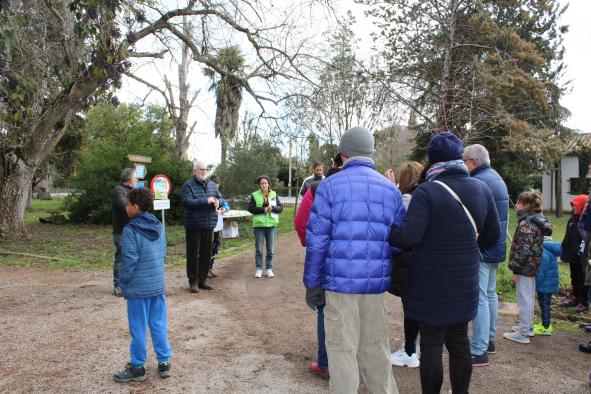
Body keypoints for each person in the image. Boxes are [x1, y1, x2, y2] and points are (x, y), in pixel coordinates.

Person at [389, 132, 501, 394]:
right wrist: (467, 252)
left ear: (432, 160)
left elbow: (408, 237)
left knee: (431, 343)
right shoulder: (481, 188)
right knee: (459, 341)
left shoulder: (427, 191)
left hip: (430, 283)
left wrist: (386, 229)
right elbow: (493, 237)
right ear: (458, 157)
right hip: (464, 281)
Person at [305, 126, 405, 394]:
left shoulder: (328, 187)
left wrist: (313, 285)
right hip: (374, 286)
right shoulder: (390, 190)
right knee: (376, 348)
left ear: (342, 152)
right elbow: (397, 241)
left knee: (341, 350)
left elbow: (317, 243)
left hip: (339, 284)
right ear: (371, 151)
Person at [113, 188, 172, 383]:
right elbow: (162, 253)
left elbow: (129, 261)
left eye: (128, 204)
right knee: (158, 323)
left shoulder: (130, 230)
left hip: (139, 288)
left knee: (138, 328)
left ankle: (138, 367)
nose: (126, 207)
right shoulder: (158, 225)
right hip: (157, 285)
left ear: (135, 207)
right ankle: (164, 362)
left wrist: (123, 282)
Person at [294, 153, 343, 377]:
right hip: (364, 266)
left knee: (325, 308)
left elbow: (300, 222)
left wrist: (309, 242)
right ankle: (353, 363)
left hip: (327, 260)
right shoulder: (375, 184)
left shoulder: (317, 188)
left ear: (334, 164)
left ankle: (326, 363)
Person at [463, 144, 509, 366]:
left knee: (480, 296)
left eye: (465, 161)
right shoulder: (496, 177)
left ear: (474, 162)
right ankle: (489, 339)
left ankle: (478, 348)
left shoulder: (480, 182)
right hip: (496, 245)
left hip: (483, 246)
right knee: (490, 293)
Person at [386, 161, 424, 368]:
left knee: (410, 308)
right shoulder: (427, 195)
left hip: (409, 262)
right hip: (426, 260)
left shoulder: (409, 199)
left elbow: (397, 219)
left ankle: (410, 351)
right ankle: (418, 347)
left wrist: (392, 188)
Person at [503, 190, 552, 344]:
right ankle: (528, 327)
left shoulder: (526, 224)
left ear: (526, 205)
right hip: (532, 266)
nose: (516, 205)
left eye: (518, 203)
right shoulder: (536, 220)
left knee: (524, 298)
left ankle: (523, 333)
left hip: (524, 267)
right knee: (528, 297)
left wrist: (516, 270)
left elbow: (522, 250)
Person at [181, 160, 225, 293]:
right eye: (201, 169)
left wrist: (218, 201)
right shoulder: (188, 185)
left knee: (207, 254)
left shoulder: (212, 185)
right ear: (194, 171)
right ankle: (193, 282)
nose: (204, 172)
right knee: (193, 255)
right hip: (194, 226)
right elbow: (187, 202)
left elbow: (222, 198)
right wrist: (206, 201)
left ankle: (203, 280)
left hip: (209, 224)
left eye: (205, 169)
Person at [248, 175, 283, 278]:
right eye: (262, 183)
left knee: (270, 249)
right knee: (259, 249)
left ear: (268, 184)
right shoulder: (254, 195)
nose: (264, 185)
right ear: (259, 185)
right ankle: (259, 269)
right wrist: (263, 209)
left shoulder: (274, 194)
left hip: (271, 225)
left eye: (265, 183)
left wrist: (274, 208)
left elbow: (280, 208)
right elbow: (251, 209)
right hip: (259, 225)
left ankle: (269, 269)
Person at [111, 168, 137, 297]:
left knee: (132, 258)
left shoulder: (133, 191)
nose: (137, 179)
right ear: (129, 178)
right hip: (121, 231)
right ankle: (118, 285)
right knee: (121, 258)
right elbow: (124, 207)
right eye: (135, 176)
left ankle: (129, 283)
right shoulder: (118, 190)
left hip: (133, 231)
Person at [561, 195, 588, 312]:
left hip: (581, 256)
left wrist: (581, 252)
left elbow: (585, 239)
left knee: (583, 279)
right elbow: (567, 237)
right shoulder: (572, 219)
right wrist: (563, 251)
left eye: (576, 206)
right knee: (574, 278)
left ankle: (584, 302)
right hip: (571, 255)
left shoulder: (586, 222)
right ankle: (576, 298)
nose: (573, 208)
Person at [534, 235, 561, 336]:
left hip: (545, 284)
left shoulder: (544, 251)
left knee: (544, 305)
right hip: (549, 284)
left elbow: (542, 271)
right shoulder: (550, 250)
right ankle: (545, 324)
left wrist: (536, 283)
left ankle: (546, 327)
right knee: (545, 304)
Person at [208, 175, 231, 278]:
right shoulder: (206, 194)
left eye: (217, 187)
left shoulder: (218, 194)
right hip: (208, 226)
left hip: (218, 226)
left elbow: (226, 205)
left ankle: (210, 268)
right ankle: (204, 269)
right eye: (215, 187)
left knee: (215, 247)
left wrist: (224, 210)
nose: (216, 190)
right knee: (207, 247)